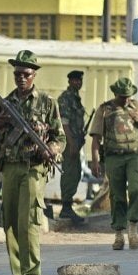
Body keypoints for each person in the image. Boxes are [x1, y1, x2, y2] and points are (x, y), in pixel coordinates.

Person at [0, 50, 66, 275]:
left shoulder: (47, 102)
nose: (21, 78)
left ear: (34, 75)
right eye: (17, 73)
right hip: (9, 168)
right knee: (9, 222)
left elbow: (59, 136)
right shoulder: (5, 101)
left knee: (28, 222)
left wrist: (50, 149)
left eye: (25, 74)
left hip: (33, 168)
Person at [89, 77, 138, 250]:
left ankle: (133, 229)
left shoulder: (136, 107)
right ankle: (119, 234)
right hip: (114, 157)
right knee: (117, 195)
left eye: (129, 96)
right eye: (123, 96)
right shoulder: (105, 109)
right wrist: (95, 161)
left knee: (137, 189)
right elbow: (95, 138)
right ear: (115, 93)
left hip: (135, 156)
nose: (126, 99)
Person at [58, 70, 86, 223]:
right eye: (75, 80)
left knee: (75, 173)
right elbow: (64, 122)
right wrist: (72, 142)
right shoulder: (66, 98)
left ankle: (67, 207)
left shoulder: (76, 99)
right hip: (69, 142)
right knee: (69, 173)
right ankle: (66, 208)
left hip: (75, 141)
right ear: (69, 81)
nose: (78, 83)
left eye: (79, 80)